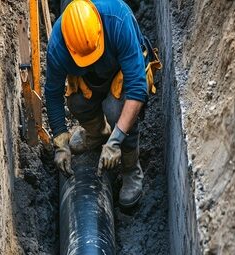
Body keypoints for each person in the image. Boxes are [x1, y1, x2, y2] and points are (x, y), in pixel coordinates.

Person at [44, 0, 161, 208]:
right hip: (91, 80)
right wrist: (60, 142)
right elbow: (53, 94)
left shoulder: (118, 21)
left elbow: (136, 89)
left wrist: (116, 140)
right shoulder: (58, 46)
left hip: (121, 75)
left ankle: (130, 168)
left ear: (98, 31)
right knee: (77, 101)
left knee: (116, 109)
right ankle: (97, 135)